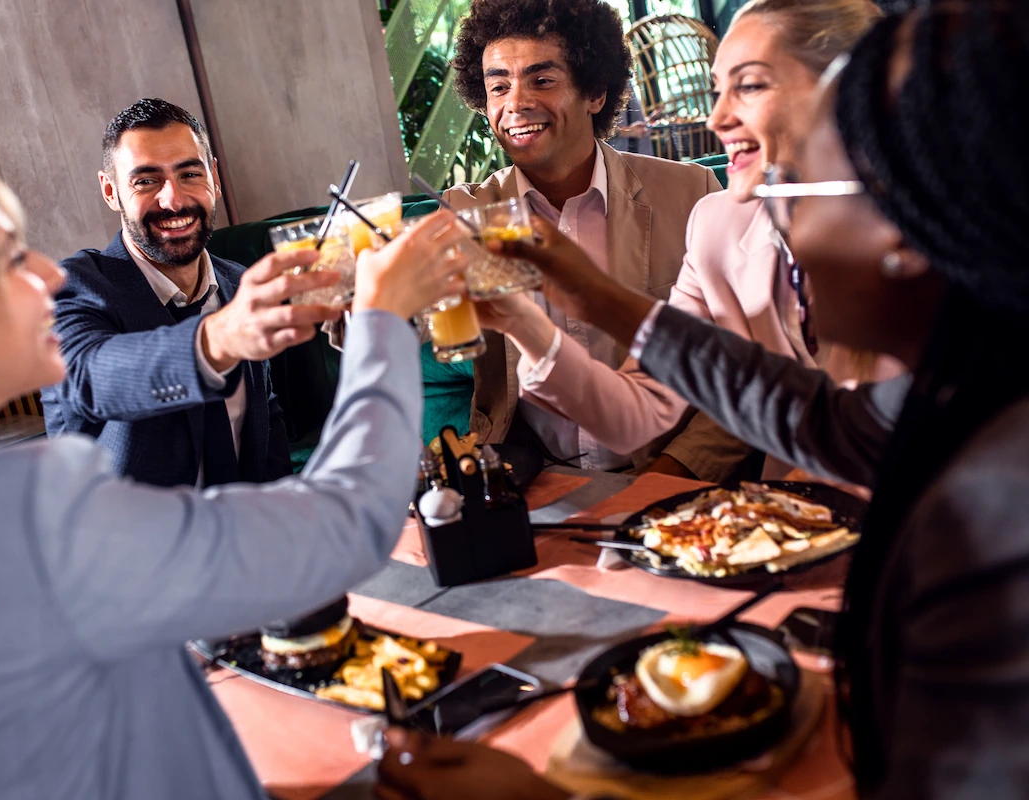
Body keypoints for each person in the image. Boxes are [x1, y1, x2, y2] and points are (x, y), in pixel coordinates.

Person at [377, 2, 1029, 797]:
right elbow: (821, 419)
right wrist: (580, 295)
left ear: (905, 227)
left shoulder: (993, 520)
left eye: (801, 187)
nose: (781, 231)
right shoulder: (962, 400)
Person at [0, 143, 470, 798]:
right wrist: (382, 318)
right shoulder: (20, 514)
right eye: (9, 260)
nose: (45, 275)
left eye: (190, 171)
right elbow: (348, 521)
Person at [477, 0, 899, 482]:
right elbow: (636, 413)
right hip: (788, 529)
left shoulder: (936, 233)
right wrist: (522, 322)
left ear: (848, 91)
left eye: (751, 85)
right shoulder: (717, 224)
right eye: (718, 91)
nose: (717, 118)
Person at [442, 0, 722, 471]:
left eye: (542, 80)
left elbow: (737, 365)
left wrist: (672, 472)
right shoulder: (466, 213)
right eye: (498, 86)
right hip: (535, 478)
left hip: (669, 470)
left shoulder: (692, 194)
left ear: (595, 92)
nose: (515, 104)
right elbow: (395, 325)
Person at [41, 99, 330, 487]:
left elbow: (265, 423)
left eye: (190, 174)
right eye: (146, 181)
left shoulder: (238, 283)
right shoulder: (74, 287)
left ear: (214, 176)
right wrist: (220, 339)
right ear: (111, 191)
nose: (173, 199)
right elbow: (86, 377)